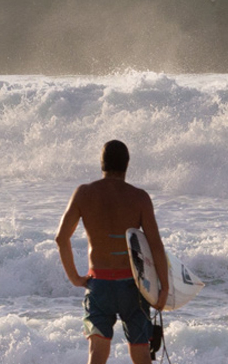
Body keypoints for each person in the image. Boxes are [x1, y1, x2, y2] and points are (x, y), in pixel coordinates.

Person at [56, 140, 170, 364]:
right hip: (133, 287)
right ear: (127, 165)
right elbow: (155, 244)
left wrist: (76, 278)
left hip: (99, 284)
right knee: (141, 353)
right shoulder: (139, 197)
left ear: (102, 164)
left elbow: (61, 238)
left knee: (97, 353)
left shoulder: (84, 193)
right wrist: (163, 288)